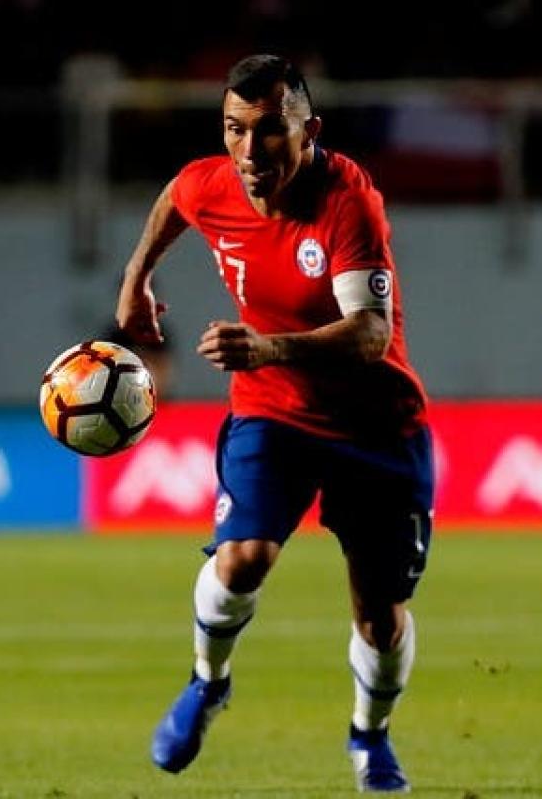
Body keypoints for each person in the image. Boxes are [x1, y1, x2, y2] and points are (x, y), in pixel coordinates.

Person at [115, 55, 432, 792]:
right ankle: (207, 681)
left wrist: (267, 347)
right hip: (273, 411)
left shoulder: (347, 201)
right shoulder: (213, 182)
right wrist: (136, 278)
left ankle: (369, 735)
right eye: (234, 130)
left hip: (375, 426)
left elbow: (370, 335)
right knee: (242, 559)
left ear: (308, 131)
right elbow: (176, 196)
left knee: (380, 617)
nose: (249, 151)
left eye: (268, 132)